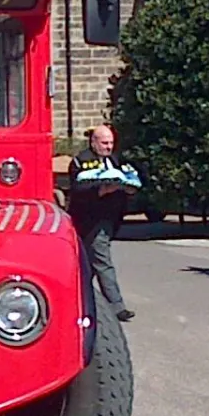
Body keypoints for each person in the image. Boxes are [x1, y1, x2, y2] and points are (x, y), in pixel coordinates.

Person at [67, 124, 136, 322]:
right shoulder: (81, 161)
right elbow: (78, 189)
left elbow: (130, 177)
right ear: (94, 142)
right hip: (89, 220)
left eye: (111, 143)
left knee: (86, 265)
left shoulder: (114, 160)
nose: (108, 147)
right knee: (102, 261)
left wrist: (128, 189)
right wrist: (102, 190)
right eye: (105, 143)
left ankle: (77, 302)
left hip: (109, 219)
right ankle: (117, 306)